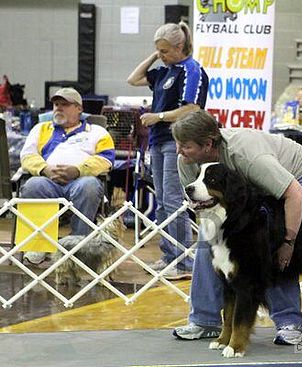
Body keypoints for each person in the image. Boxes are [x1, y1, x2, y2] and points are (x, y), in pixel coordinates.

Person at [172, 110, 302, 345]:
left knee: (273, 244)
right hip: (242, 189)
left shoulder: (246, 155)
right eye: (177, 144)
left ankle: (290, 322)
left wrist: (288, 241)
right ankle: (205, 320)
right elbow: (203, 206)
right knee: (208, 247)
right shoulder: (186, 161)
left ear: (208, 144)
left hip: (294, 177)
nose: (178, 150)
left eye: (185, 145)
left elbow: (294, 193)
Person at [127, 22, 209, 280]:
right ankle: (169, 254)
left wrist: (159, 116)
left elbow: (192, 108)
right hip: (157, 141)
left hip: (178, 142)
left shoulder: (191, 70)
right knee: (162, 201)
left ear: (180, 46)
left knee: (174, 201)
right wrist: (156, 54)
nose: (161, 56)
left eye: (165, 51)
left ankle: (184, 260)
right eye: (158, 52)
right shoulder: (165, 71)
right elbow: (134, 79)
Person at [19, 88, 115, 265]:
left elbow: (106, 159)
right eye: (56, 104)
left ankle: (79, 248)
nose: (58, 108)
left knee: (89, 186)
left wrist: (78, 170)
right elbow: (27, 156)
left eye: (64, 105)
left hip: (80, 180)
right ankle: (39, 246)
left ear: (79, 108)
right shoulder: (40, 129)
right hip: (48, 181)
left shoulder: (96, 132)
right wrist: (45, 169)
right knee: (33, 185)